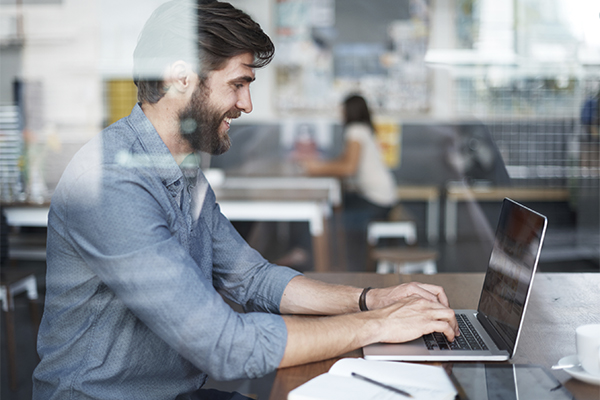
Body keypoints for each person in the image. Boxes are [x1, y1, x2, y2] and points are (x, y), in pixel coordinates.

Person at [32, 2, 458, 399]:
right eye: (238, 84)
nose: (247, 104)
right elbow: (225, 346)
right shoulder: (109, 183)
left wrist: (370, 299)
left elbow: (253, 279)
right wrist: (379, 325)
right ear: (181, 78)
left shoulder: (185, 172)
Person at [302, 94, 398, 269]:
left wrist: (316, 168)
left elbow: (348, 168)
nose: (341, 114)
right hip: (384, 196)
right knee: (334, 205)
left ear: (349, 111)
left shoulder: (355, 130)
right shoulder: (363, 129)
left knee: (330, 214)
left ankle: (328, 263)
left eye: (343, 109)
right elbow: (343, 161)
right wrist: (322, 167)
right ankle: (322, 258)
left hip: (377, 200)